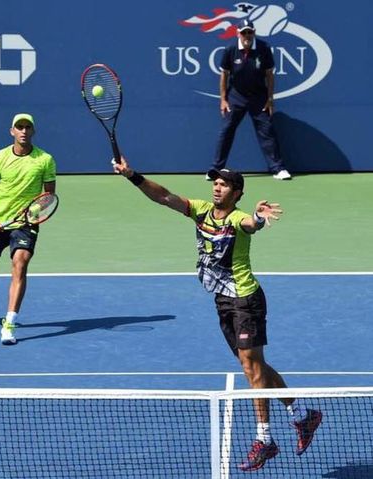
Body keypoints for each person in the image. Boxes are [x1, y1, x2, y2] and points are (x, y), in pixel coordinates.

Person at [113, 159, 321, 471]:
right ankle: (304, 416)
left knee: (252, 370)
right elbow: (163, 196)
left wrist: (258, 217)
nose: (216, 187)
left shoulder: (238, 218)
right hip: (223, 301)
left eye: (223, 184)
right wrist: (132, 175)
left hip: (245, 300)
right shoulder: (200, 210)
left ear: (236, 193)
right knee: (255, 366)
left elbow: (251, 224)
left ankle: (264, 440)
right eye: (215, 182)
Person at [0, 113, 56, 345]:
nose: (24, 131)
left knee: (20, 265)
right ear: (12, 131)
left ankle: (10, 323)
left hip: (25, 226)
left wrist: (34, 216)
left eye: (28, 127)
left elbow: (48, 196)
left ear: (33, 131)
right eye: (19, 127)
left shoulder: (45, 159)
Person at [209, 19, 291, 181]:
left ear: (254, 32)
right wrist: (223, 99)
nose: (247, 35)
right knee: (226, 131)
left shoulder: (264, 48)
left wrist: (269, 99)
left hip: (259, 97)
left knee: (266, 131)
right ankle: (216, 169)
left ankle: (278, 168)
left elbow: (269, 74)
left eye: (250, 32)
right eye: (243, 32)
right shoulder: (230, 50)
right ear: (237, 33)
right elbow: (224, 75)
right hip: (235, 97)